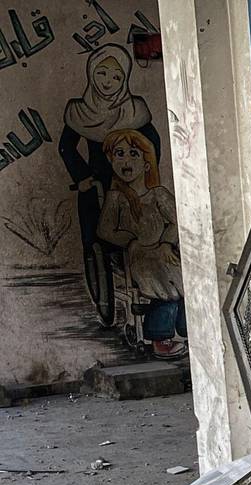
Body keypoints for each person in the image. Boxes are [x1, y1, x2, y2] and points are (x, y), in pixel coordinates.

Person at [58, 44, 162, 321]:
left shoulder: (135, 110)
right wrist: (82, 177)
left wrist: (146, 173)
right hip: (94, 184)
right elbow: (66, 147)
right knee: (94, 235)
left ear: (125, 78)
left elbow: (152, 143)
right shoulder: (80, 112)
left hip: (129, 183)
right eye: (102, 73)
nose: (108, 81)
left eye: (116, 76)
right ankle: (102, 291)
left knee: (143, 232)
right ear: (91, 74)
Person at [96, 128, 185, 359]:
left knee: (182, 271)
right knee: (159, 275)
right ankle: (160, 337)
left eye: (133, 154)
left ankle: (187, 327)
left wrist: (166, 242)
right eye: (119, 154)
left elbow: (179, 220)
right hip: (139, 256)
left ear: (146, 164)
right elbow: (105, 230)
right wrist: (131, 242)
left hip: (165, 250)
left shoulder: (158, 195)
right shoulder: (116, 198)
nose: (126, 160)